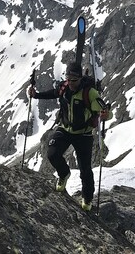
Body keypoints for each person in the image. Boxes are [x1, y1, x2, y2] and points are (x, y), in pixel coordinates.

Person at [29, 62, 112, 211]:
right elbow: (53, 93)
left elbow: (103, 109)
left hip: (84, 134)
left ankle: (87, 200)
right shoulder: (64, 87)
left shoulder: (89, 93)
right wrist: (36, 95)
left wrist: (105, 115)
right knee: (52, 154)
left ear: (80, 78)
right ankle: (64, 173)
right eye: (69, 79)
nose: (71, 83)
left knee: (85, 170)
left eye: (74, 80)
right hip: (65, 129)